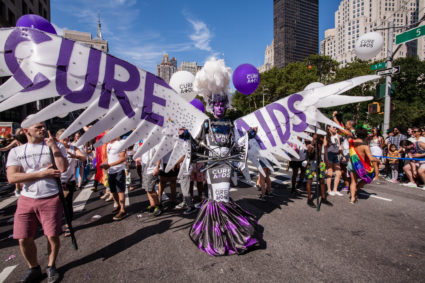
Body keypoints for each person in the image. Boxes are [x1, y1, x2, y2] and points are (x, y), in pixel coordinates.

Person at [188, 58, 261, 256]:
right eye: (216, 105)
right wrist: (186, 136)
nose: (219, 107)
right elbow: (196, 145)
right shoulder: (206, 125)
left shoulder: (231, 125)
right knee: (215, 197)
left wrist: (249, 136)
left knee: (224, 196)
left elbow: (236, 145)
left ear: (225, 105)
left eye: (222, 104)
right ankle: (219, 235)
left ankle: (229, 234)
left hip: (226, 166)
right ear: (211, 106)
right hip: (212, 167)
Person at [6, 120, 68, 283]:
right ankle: (33, 267)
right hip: (26, 199)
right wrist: (41, 174)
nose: (43, 129)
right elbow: (12, 177)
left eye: (43, 126)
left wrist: (54, 146)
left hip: (51, 197)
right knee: (23, 238)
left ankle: (51, 266)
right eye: (38, 127)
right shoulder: (16, 151)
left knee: (52, 235)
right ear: (27, 130)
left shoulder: (55, 146)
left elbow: (62, 168)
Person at [56, 129, 86, 237]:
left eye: (68, 137)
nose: (66, 139)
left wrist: (76, 156)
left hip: (69, 181)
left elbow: (84, 157)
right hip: (55, 182)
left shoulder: (73, 148)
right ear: (58, 138)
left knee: (68, 204)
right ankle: (57, 225)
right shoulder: (54, 149)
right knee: (56, 206)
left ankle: (68, 225)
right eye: (64, 137)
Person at [347, 128, 380, 204]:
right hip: (359, 166)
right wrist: (378, 161)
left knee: (353, 181)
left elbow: (348, 135)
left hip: (351, 164)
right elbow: (371, 158)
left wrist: (350, 130)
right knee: (368, 177)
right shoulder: (365, 146)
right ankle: (356, 189)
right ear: (365, 136)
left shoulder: (351, 142)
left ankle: (352, 198)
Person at [100, 137, 127, 220]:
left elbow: (123, 158)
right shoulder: (108, 145)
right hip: (111, 171)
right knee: (113, 191)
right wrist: (104, 163)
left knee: (120, 190)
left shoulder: (119, 144)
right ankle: (118, 205)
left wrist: (110, 165)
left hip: (119, 170)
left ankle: (122, 210)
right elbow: (109, 157)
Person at [304, 134, 332, 208]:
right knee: (309, 180)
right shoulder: (308, 138)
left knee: (322, 180)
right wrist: (313, 140)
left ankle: (323, 198)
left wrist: (323, 138)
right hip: (312, 162)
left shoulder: (320, 138)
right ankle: (309, 199)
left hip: (320, 162)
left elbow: (327, 145)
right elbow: (309, 151)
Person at [0, 128, 27, 196]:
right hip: (19, 157)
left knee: (25, 172)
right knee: (17, 173)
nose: (22, 134)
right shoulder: (16, 141)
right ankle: (17, 189)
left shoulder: (28, 139)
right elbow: (7, 148)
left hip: (26, 157)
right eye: (20, 133)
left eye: (22, 132)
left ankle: (24, 187)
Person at [141, 147, 162, 216]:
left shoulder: (154, 142)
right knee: (147, 189)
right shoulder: (142, 141)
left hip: (151, 169)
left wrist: (157, 167)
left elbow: (158, 155)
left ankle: (158, 205)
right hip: (144, 168)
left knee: (150, 189)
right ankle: (152, 205)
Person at [324, 126, 343, 196]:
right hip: (329, 155)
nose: (335, 129)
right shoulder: (326, 136)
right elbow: (325, 149)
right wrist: (326, 158)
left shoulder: (337, 136)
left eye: (335, 128)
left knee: (339, 173)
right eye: (333, 127)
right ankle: (329, 190)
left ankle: (335, 189)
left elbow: (339, 146)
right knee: (330, 172)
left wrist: (343, 155)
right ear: (329, 128)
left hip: (336, 155)